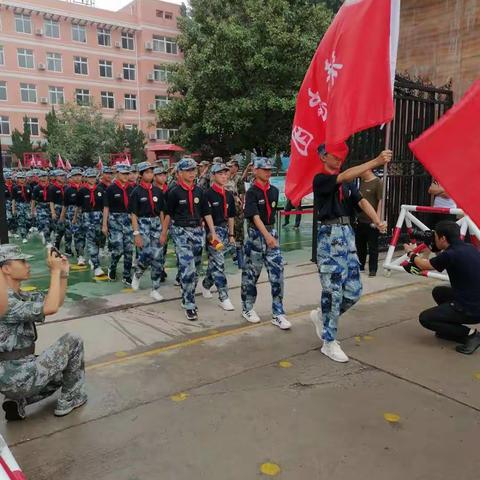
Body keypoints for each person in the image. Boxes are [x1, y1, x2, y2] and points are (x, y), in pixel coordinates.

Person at [310, 145, 390, 363]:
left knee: (353, 291)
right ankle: (329, 341)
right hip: (329, 236)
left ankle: (322, 316)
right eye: (334, 155)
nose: (339, 158)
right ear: (324, 156)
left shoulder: (347, 182)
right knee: (333, 292)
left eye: (341, 155)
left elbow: (362, 201)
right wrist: (375, 162)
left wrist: (376, 220)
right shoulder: (320, 179)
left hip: (347, 235)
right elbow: (344, 175)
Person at [0, 245, 87, 421]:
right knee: (73, 341)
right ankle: (70, 398)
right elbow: (51, 307)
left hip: (16, 372)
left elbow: (55, 300)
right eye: (22, 261)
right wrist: (54, 272)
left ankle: (18, 401)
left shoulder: (18, 295)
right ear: (6, 268)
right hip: (16, 375)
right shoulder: (7, 302)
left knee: (64, 372)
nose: (28, 265)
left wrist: (62, 274)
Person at [404, 220, 480, 355]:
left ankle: (471, 335)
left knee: (426, 318)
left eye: (435, 237)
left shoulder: (451, 254)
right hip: (475, 300)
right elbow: (440, 261)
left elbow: (423, 265)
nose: (434, 239)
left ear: (443, 238)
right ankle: (448, 328)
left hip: (471, 308)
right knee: (439, 292)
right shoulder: (469, 247)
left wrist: (411, 253)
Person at [161, 158, 219, 321]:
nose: (193, 173)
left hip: (197, 232)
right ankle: (189, 304)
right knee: (188, 268)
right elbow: (168, 214)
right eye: (188, 170)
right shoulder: (173, 192)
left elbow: (206, 213)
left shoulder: (200, 191)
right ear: (179, 173)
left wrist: (212, 232)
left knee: (196, 269)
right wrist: (164, 233)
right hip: (180, 231)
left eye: (194, 170)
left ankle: (187, 291)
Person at [241, 158, 291, 330]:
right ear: (255, 171)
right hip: (256, 236)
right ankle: (247, 307)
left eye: (270, 169)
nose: (268, 172)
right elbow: (254, 216)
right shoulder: (251, 192)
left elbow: (273, 214)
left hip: (271, 234)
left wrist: (272, 236)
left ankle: (278, 313)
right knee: (251, 275)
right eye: (264, 169)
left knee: (277, 274)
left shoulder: (275, 191)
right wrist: (266, 236)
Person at [201, 163, 236, 310]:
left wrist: (231, 234)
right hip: (212, 232)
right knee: (219, 263)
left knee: (215, 264)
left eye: (225, 173)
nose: (224, 176)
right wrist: (212, 234)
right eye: (220, 173)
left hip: (224, 230)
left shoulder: (228, 194)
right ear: (213, 176)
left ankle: (205, 284)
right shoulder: (207, 194)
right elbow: (205, 215)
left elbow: (231, 216)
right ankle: (224, 297)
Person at [130, 162, 166, 301]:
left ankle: (155, 288)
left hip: (156, 223)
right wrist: (136, 233)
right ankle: (138, 274)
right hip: (143, 224)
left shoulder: (157, 191)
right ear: (141, 175)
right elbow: (133, 214)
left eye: (152, 172)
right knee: (146, 254)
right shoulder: (136, 192)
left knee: (158, 257)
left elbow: (162, 211)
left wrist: (163, 230)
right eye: (147, 172)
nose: (150, 174)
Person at [102, 164, 134, 286]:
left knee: (129, 249)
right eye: (123, 173)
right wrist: (104, 225)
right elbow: (106, 207)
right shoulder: (111, 189)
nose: (126, 176)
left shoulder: (131, 188)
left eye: (127, 173)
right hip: (115, 220)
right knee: (118, 248)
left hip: (128, 220)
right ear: (117, 174)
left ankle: (127, 275)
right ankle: (112, 266)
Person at [76, 168, 105, 277]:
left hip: (99, 216)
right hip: (87, 216)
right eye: (90, 177)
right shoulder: (82, 191)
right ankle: (97, 266)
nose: (92, 179)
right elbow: (78, 207)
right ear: (86, 178)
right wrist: (75, 218)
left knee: (98, 239)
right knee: (91, 240)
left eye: (94, 177)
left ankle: (93, 259)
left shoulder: (100, 190)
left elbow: (104, 207)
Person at [355, 168, 383, 277]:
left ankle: (373, 269)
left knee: (372, 247)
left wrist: (377, 219)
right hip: (361, 219)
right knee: (360, 244)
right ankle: (360, 265)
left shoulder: (378, 182)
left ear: (367, 170)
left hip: (371, 220)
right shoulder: (361, 182)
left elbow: (381, 201)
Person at [62, 168, 86, 265]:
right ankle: (80, 255)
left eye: (79, 175)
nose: (77, 177)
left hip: (85, 213)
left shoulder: (85, 188)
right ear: (71, 177)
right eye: (75, 176)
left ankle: (82, 252)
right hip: (72, 214)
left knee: (84, 235)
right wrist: (62, 216)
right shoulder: (68, 189)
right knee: (77, 234)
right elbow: (65, 204)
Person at [225, 159, 246, 267]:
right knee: (220, 239)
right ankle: (232, 255)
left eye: (230, 168)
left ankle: (240, 260)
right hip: (223, 217)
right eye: (227, 168)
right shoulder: (221, 183)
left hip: (236, 213)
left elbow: (241, 194)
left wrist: (241, 207)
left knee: (239, 236)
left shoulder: (235, 181)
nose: (228, 170)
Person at [31, 170, 52, 245]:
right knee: (45, 222)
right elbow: (33, 200)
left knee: (50, 224)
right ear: (39, 178)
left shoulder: (51, 186)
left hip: (50, 206)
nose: (44, 178)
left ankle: (44, 233)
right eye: (42, 176)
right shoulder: (36, 188)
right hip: (41, 207)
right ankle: (48, 241)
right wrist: (32, 211)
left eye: (45, 176)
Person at [12, 171, 32, 243]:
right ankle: (24, 236)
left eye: (23, 178)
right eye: (20, 178)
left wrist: (33, 208)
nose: (22, 179)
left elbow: (31, 199)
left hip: (27, 205)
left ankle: (27, 231)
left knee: (29, 220)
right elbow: (13, 199)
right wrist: (13, 209)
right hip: (19, 205)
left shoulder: (28, 187)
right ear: (17, 179)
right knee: (21, 221)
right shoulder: (15, 188)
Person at [48, 169, 66, 251]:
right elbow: (51, 202)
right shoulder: (52, 188)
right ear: (56, 177)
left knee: (66, 228)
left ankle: (66, 247)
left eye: (63, 175)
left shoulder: (66, 187)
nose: (62, 177)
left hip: (66, 208)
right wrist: (53, 213)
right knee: (59, 228)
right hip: (57, 208)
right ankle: (56, 245)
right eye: (60, 176)